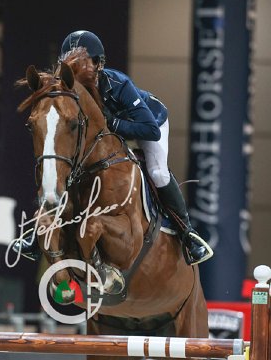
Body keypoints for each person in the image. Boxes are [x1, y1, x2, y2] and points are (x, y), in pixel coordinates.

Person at [16, 30, 213, 265]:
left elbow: (150, 130)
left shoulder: (118, 84)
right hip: (110, 132)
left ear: (98, 64)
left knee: (158, 172)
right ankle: (38, 232)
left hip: (149, 122)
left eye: (82, 63)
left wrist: (112, 123)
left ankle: (188, 234)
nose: (76, 70)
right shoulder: (70, 89)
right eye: (70, 64)